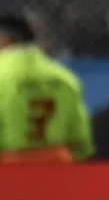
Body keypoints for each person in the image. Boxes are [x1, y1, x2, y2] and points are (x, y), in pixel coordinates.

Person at [0, 15, 93, 164]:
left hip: (9, 170)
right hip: (58, 169)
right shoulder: (66, 78)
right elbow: (81, 142)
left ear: (4, 40)